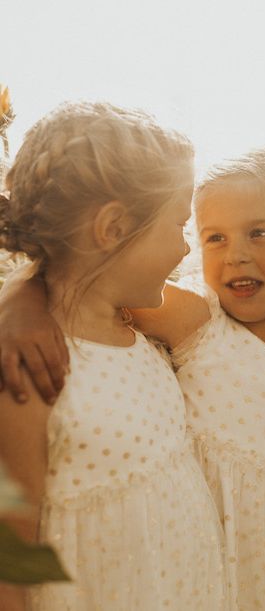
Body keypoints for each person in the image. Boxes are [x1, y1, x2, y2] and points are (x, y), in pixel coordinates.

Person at [0, 147, 265, 610]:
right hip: (196, 579)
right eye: (214, 238)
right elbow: (87, 277)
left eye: (259, 233)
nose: (235, 255)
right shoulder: (200, 323)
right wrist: (18, 300)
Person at [0, 102, 229, 610]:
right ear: (112, 228)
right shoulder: (32, 366)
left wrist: (21, 292)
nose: (187, 249)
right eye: (177, 224)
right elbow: (9, 558)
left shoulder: (141, 322)